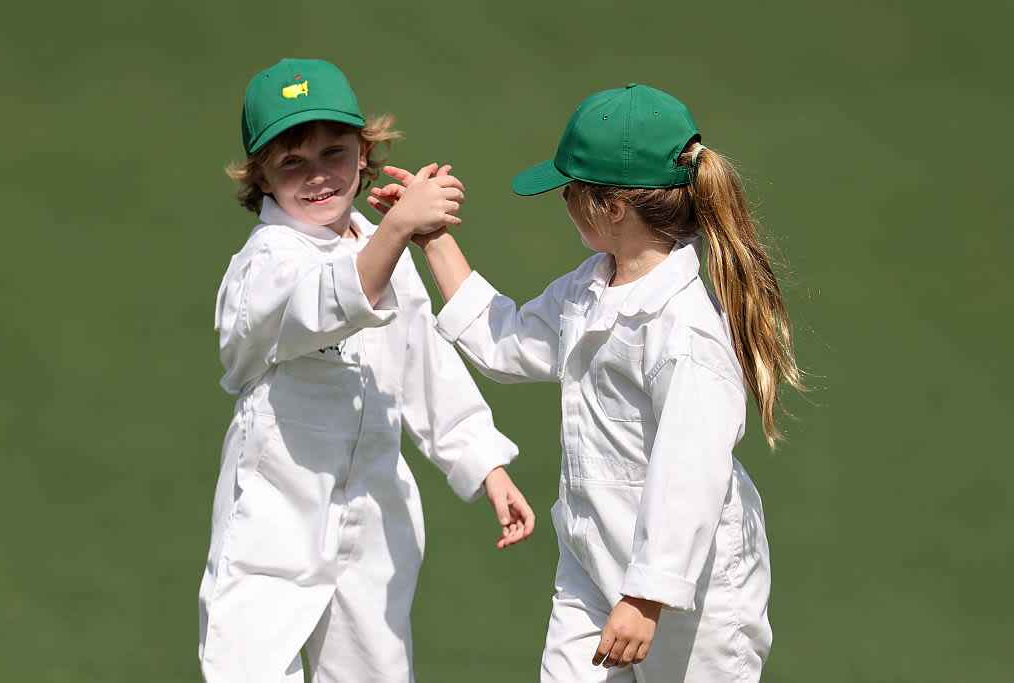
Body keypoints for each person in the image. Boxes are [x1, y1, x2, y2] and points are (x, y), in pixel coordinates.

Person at [370, 83, 803, 681]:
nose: (563, 201)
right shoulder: (589, 287)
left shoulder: (686, 333)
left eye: (569, 190)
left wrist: (647, 597)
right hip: (593, 565)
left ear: (613, 208)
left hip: (692, 595)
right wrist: (434, 239)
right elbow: (507, 341)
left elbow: (690, 474)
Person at [198, 58, 535, 683]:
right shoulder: (262, 264)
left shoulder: (381, 250)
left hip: (375, 515)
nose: (318, 176)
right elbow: (323, 301)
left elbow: (424, 369)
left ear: (365, 155)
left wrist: (486, 463)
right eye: (291, 161)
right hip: (274, 515)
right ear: (261, 177)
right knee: (245, 668)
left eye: (334, 152)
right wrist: (402, 226)